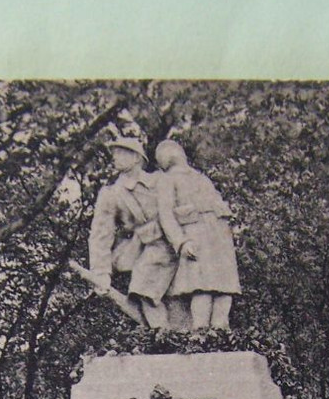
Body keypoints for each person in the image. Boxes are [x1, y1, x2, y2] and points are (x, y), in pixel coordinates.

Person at [85, 137, 178, 329]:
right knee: (142, 288)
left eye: (121, 153)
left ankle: (181, 335)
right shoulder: (112, 194)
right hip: (151, 249)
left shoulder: (161, 180)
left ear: (136, 157)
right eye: (114, 153)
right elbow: (101, 235)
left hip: (180, 243)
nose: (114, 157)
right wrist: (101, 272)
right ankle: (164, 335)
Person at [155, 139, 240, 330]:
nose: (171, 153)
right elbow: (166, 216)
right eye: (164, 152)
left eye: (173, 149)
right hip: (195, 234)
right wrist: (181, 242)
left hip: (218, 234)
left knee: (225, 286)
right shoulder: (167, 180)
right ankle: (201, 332)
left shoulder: (201, 178)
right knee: (201, 286)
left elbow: (218, 204)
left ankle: (221, 330)